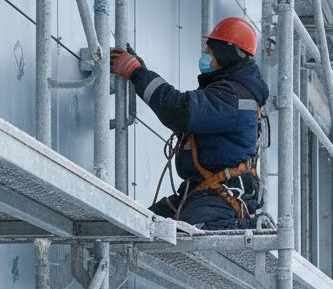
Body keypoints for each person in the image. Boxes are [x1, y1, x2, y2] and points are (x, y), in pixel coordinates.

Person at [109, 17, 269, 229]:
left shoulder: (232, 96)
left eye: (209, 53)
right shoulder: (231, 91)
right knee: (141, 226)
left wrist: (137, 73)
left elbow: (178, 110)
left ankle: (249, 227)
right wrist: (141, 73)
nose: (204, 57)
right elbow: (180, 113)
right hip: (200, 191)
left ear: (226, 54)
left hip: (220, 196)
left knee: (193, 233)